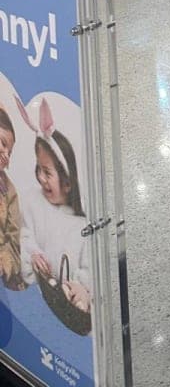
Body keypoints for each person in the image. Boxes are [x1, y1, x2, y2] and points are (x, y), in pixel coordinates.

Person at [16, 97, 92, 322]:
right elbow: (23, 234)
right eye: (38, 169)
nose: (41, 178)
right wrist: (33, 255)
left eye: (47, 173)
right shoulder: (31, 200)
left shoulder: (82, 226)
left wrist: (81, 287)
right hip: (36, 301)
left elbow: (89, 270)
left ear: (68, 183)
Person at [0, 107, 24, 290]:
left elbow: (14, 245)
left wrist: (4, 264)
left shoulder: (9, 192)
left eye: (11, 152)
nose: (6, 156)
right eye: (3, 143)